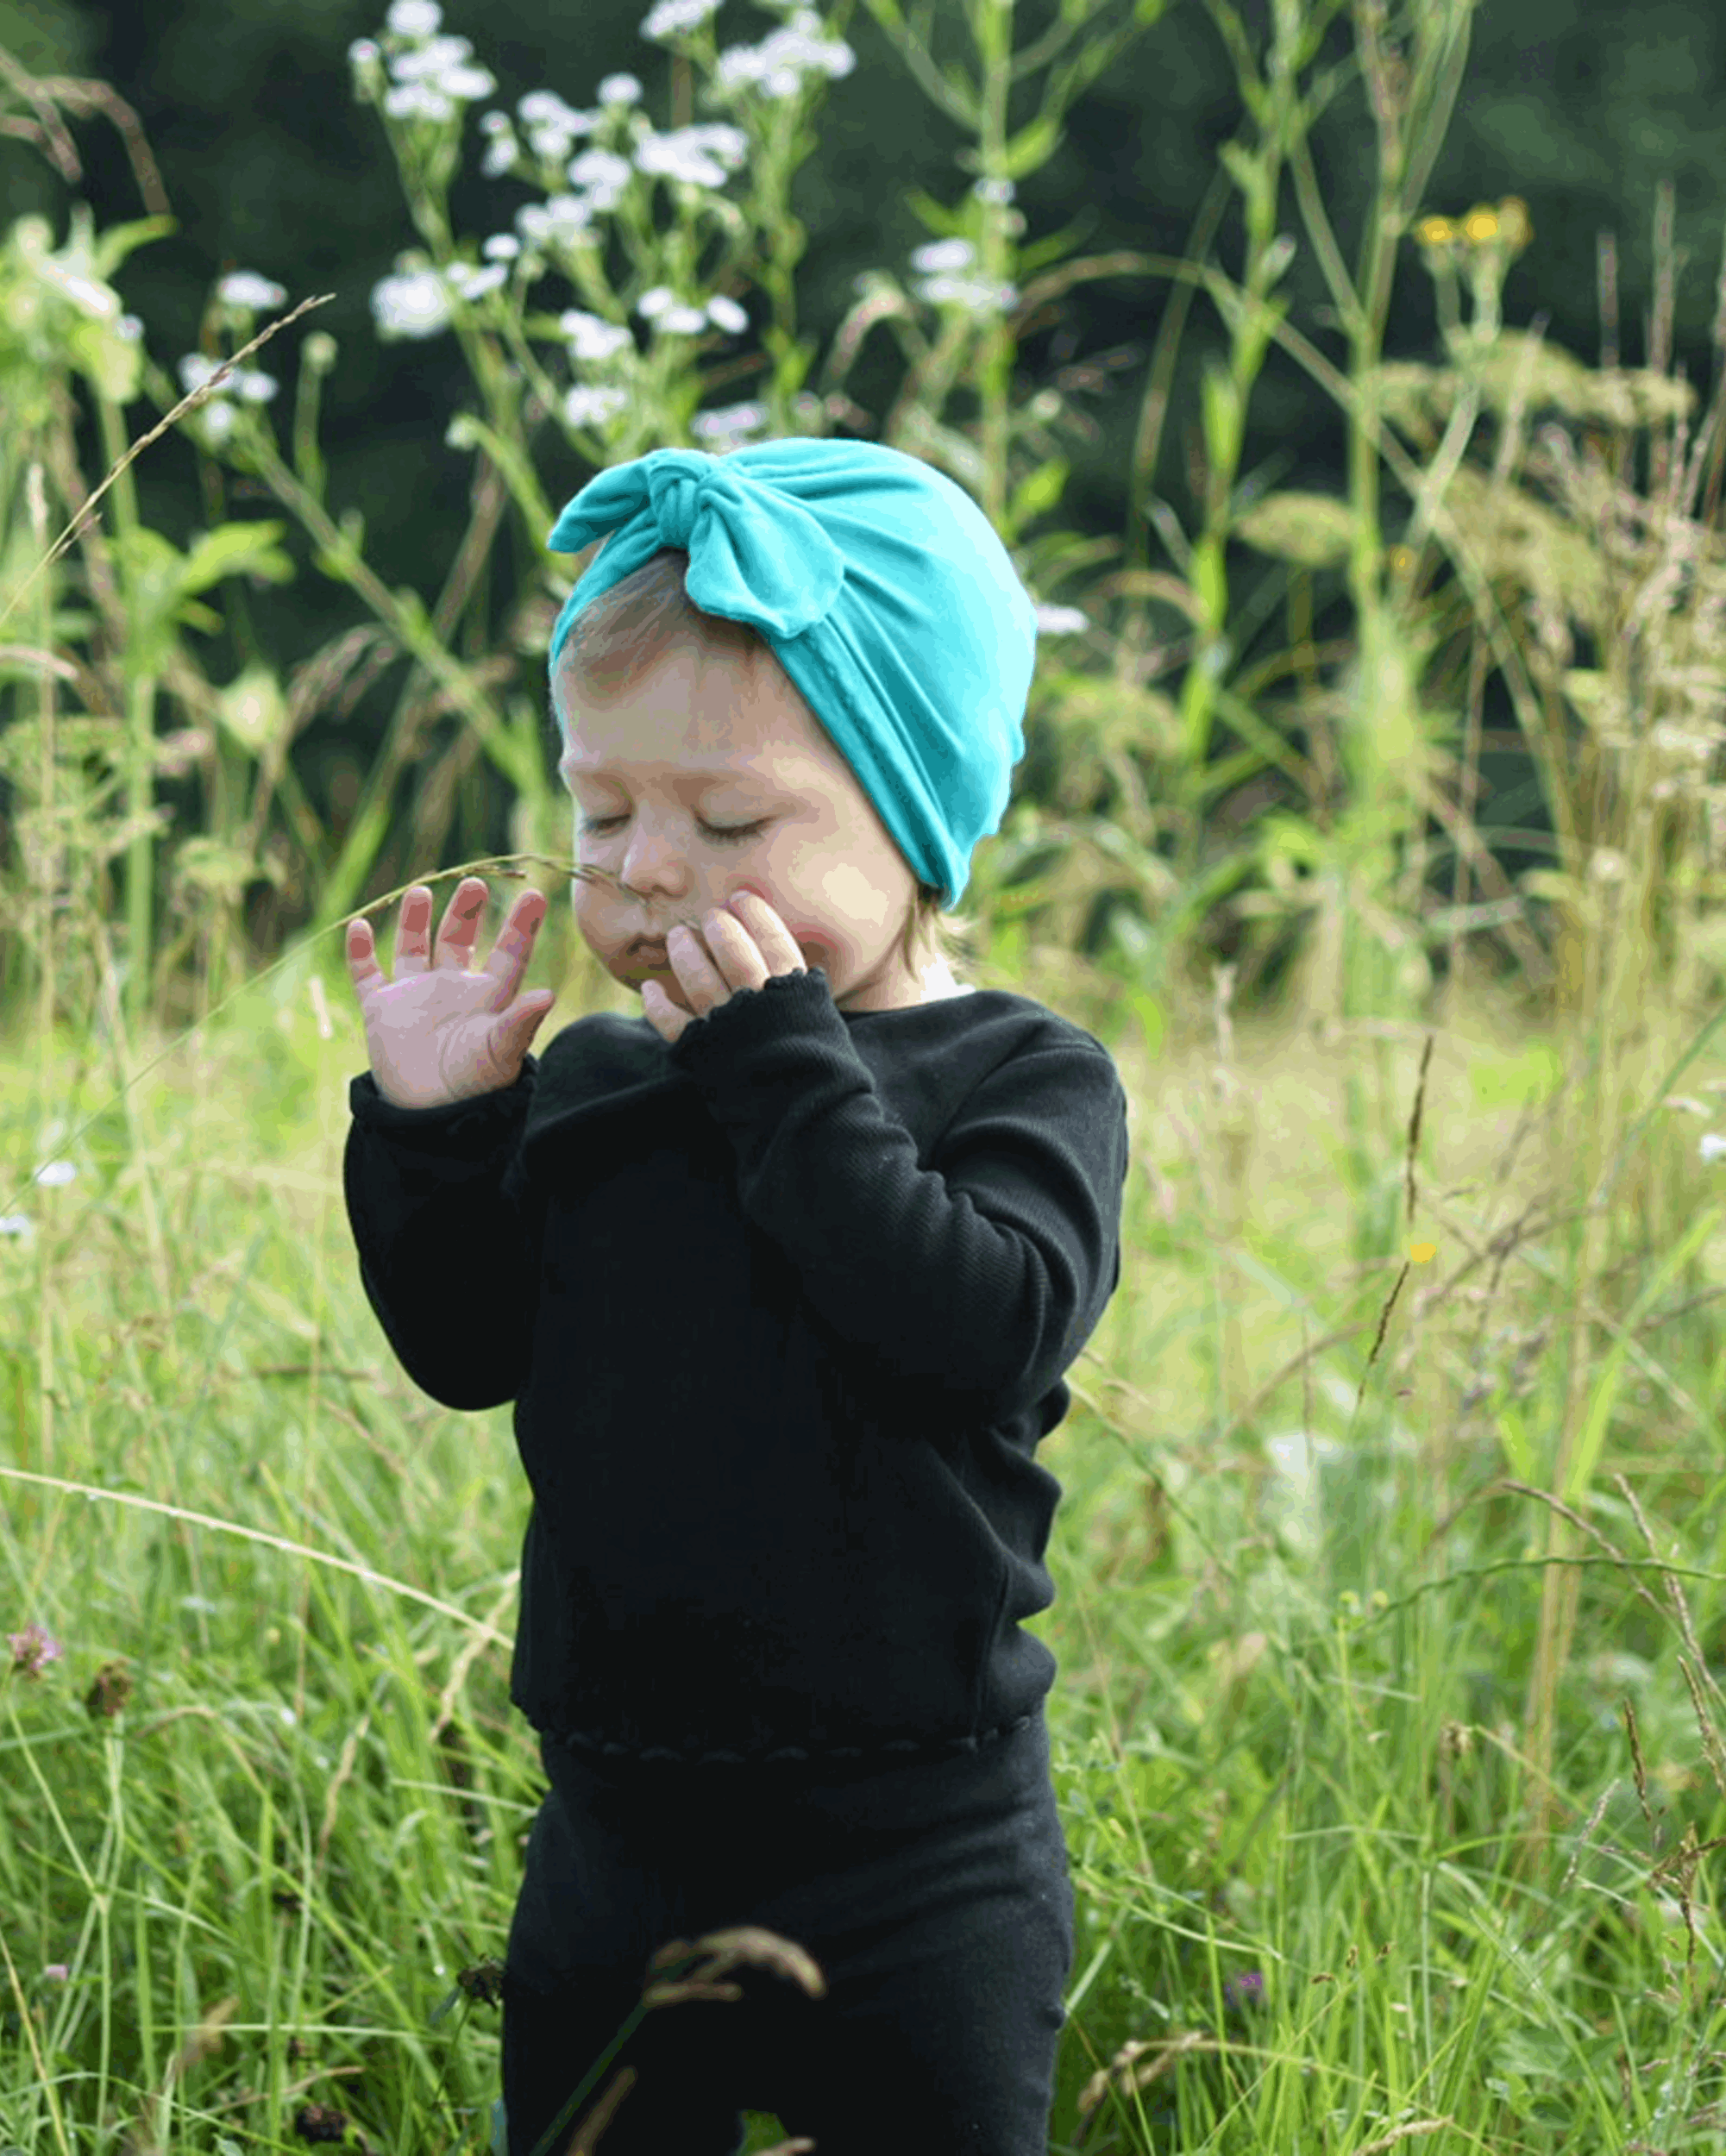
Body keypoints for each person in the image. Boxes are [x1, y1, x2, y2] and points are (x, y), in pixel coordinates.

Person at [342, 439, 1128, 2156]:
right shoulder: (602, 1087)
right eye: (601, 808)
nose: (640, 869)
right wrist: (435, 1128)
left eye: (727, 820)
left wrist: (783, 1071)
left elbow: (978, 1324)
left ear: (907, 806)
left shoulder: (1018, 1075)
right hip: (621, 1811)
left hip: (927, 1832)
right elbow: (465, 1345)